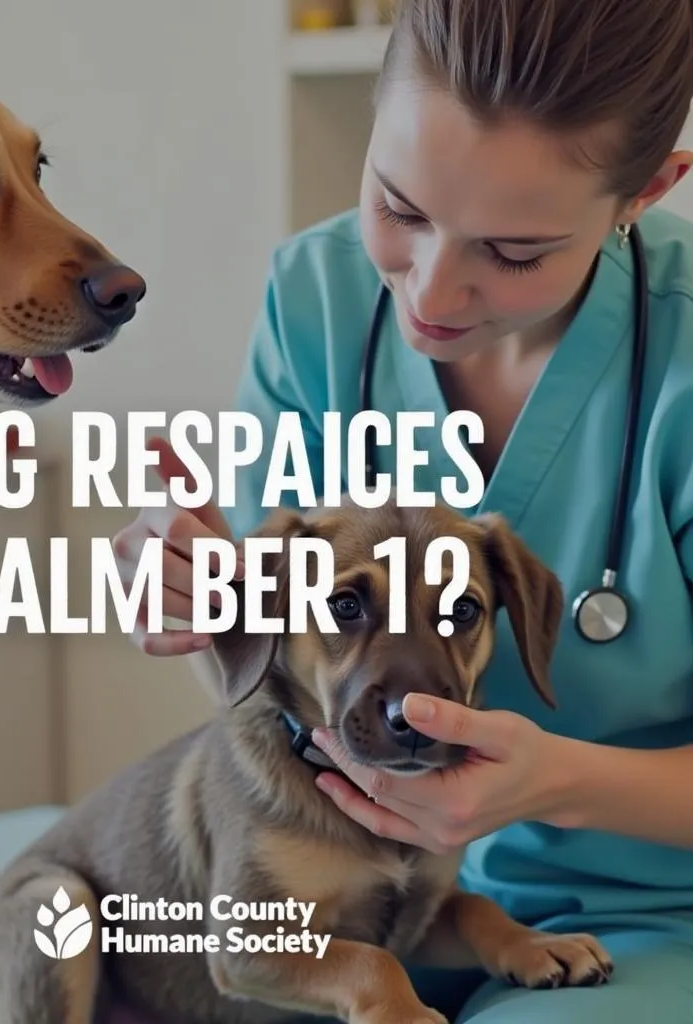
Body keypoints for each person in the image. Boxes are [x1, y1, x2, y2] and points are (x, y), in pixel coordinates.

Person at [112, 0, 693, 1020]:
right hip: (354, 908)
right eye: (400, 206)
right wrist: (192, 593)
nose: (432, 289)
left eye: (514, 252)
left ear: (644, 192)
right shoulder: (316, 297)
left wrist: (553, 781)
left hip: (639, 916)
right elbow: (257, 679)